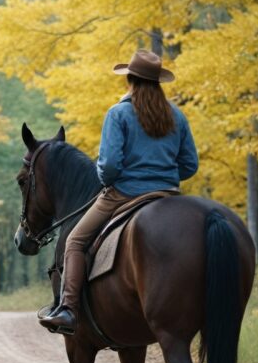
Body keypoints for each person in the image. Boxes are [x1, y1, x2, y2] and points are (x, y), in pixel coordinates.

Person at [39, 49, 199, 334]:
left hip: (123, 194)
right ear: (157, 82)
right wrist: (165, 176)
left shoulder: (119, 113)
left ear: (131, 80)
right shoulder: (176, 116)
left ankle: (68, 309)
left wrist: (105, 177)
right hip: (168, 195)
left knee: (74, 241)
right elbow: (189, 164)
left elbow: (110, 165)